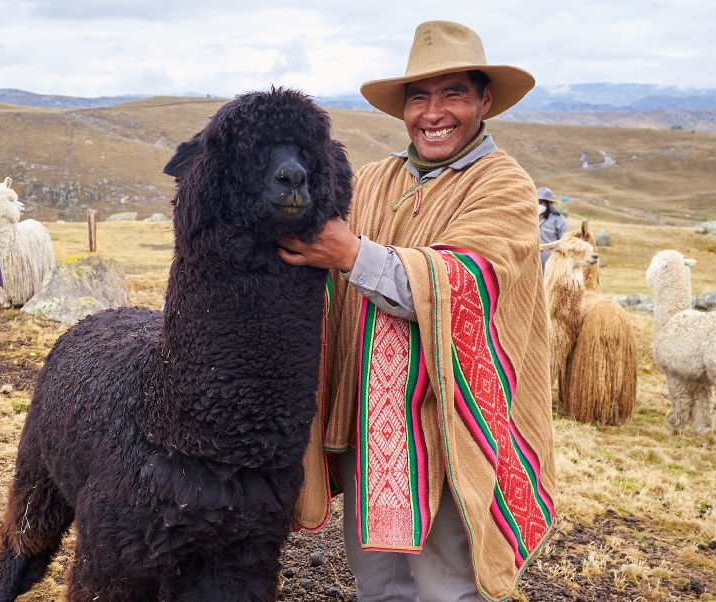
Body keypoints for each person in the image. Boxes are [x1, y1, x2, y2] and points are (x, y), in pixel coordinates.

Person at [277, 20, 556, 602]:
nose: (433, 113)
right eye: (419, 97)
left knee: (446, 584)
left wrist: (351, 254)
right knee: (376, 581)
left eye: (453, 93)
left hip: (449, 424)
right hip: (367, 423)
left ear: (484, 101)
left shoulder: (503, 185)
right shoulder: (375, 180)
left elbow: (467, 282)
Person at [537, 187, 569, 269]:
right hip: (531, 258)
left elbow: (565, 241)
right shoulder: (529, 217)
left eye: (541, 202)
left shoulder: (559, 220)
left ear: (547, 204)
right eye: (536, 201)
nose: (537, 204)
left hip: (550, 259)